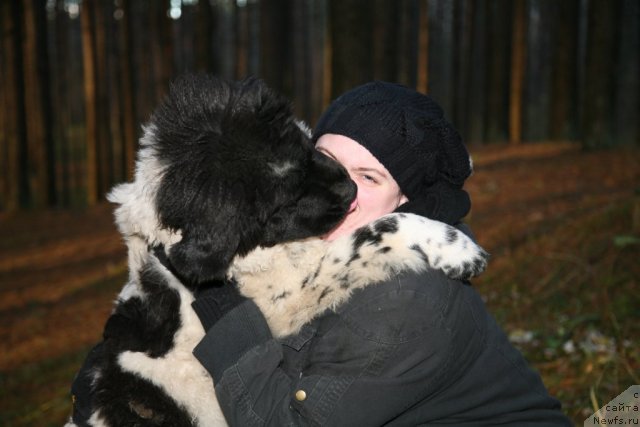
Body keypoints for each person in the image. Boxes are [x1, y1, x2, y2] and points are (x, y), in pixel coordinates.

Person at [191, 81, 572, 426]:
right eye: (326, 162)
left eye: (369, 177)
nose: (340, 190)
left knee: (631, 410)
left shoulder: (400, 298)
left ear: (406, 202)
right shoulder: (330, 250)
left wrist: (220, 299)